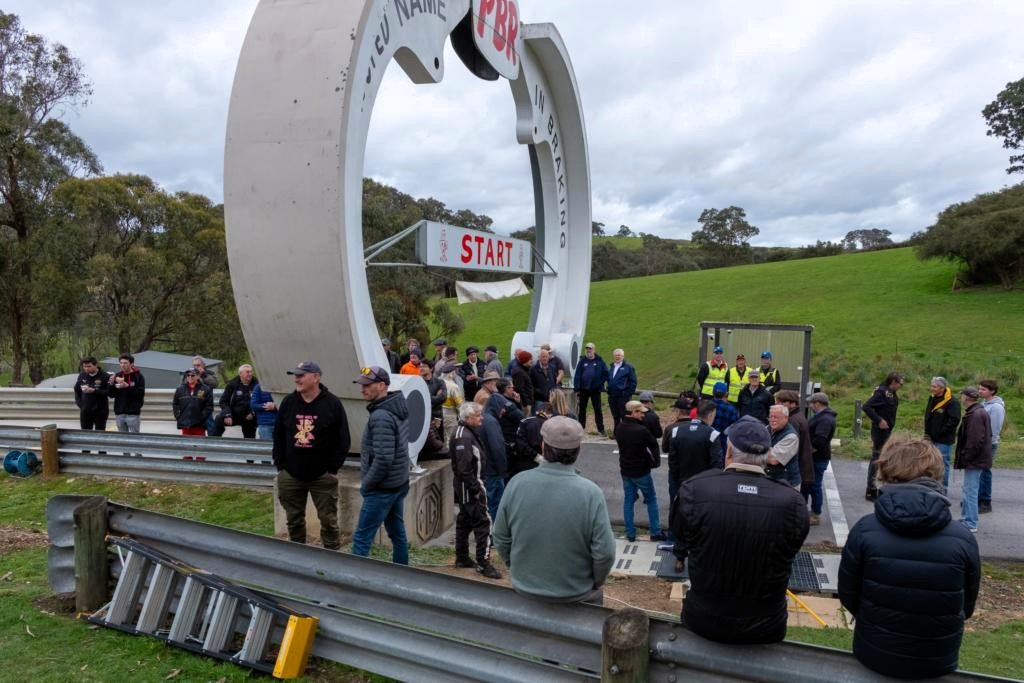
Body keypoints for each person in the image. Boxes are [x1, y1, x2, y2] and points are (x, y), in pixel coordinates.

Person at [838, 436, 980, 679]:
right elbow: (965, 605)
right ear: (935, 473)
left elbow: (848, 594)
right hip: (935, 657)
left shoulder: (864, 530)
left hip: (875, 651)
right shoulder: (962, 538)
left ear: (885, 469)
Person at [671, 415, 809, 644]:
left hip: (704, 618)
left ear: (728, 452)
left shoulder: (694, 489)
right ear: (767, 456)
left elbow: (681, 535)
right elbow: (793, 547)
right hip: (766, 624)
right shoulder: (793, 502)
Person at [493, 416, 616, 603]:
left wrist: (517, 567)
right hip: (576, 593)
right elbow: (605, 552)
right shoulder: (591, 493)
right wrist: (596, 581)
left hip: (525, 589)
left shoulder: (517, 483)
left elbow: (500, 536)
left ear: (543, 447)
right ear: (578, 450)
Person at [272, 361, 350, 550]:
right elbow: (279, 434)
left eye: (301, 375)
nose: (296, 379)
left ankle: (331, 555)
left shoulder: (332, 403)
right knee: (294, 519)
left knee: (328, 520)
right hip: (291, 473)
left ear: (316, 377)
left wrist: (332, 469)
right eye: (295, 375)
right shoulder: (289, 402)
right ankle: (298, 554)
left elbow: (343, 439)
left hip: (322, 475)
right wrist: (280, 465)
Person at [352, 365, 411, 564]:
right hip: (397, 484)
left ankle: (355, 585)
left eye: (368, 385)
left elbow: (384, 458)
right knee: (398, 535)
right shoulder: (395, 406)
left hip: (381, 488)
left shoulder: (381, 416)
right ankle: (402, 577)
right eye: (362, 385)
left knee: (361, 540)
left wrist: (367, 483)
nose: (363, 389)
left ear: (382, 385)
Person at [450, 401, 502, 579]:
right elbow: (464, 468)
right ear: (468, 418)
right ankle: (483, 563)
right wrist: (475, 489)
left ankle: (462, 557)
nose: (481, 418)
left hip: (469, 485)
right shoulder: (463, 437)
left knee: (464, 521)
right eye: (478, 415)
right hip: (470, 486)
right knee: (483, 522)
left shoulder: (467, 432)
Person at [663, 399, 722, 527]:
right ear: (711, 415)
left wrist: (676, 477)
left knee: (676, 509)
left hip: (679, 480)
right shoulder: (712, 434)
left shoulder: (676, 430)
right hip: (702, 484)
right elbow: (716, 465)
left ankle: (673, 538)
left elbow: (672, 459)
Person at [614, 400, 666, 542]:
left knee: (628, 501)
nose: (643, 415)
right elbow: (653, 445)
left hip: (625, 470)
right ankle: (655, 531)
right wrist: (654, 462)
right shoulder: (641, 430)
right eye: (641, 412)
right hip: (641, 471)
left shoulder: (619, 428)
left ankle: (630, 533)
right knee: (651, 499)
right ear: (634, 412)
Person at [954, 387, 992, 533]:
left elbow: (975, 441)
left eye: (962, 395)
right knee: (969, 489)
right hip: (978, 458)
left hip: (975, 460)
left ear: (967, 397)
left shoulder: (975, 414)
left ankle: (971, 522)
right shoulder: (978, 411)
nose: (961, 398)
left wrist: (966, 457)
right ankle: (966, 518)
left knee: (970, 490)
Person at [862, 372, 904, 501]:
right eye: (899, 384)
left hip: (887, 431)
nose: (901, 386)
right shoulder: (881, 392)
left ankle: (878, 486)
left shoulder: (890, 392)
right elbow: (867, 407)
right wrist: (879, 420)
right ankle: (871, 490)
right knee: (877, 460)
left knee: (883, 459)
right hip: (880, 432)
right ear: (893, 382)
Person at [776, 389, 814, 513]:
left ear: (793, 404)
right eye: (778, 401)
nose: (778, 404)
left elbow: (791, 449)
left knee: (795, 505)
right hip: (803, 466)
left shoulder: (793, 421)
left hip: (798, 468)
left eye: (782, 402)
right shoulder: (799, 416)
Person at [924, 376, 961, 488]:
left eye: (934, 387)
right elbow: (928, 416)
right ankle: (931, 486)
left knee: (942, 464)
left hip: (943, 440)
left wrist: (940, 432)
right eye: (932, 386)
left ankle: (942, 489)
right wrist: (927, 434)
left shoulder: (952, 402)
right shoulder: (932, 398)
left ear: (942, 388)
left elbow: (954, 420)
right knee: (930, 463)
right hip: (930, 438)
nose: (932, 388)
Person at [806, 392, 837, 526]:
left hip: (817, 458)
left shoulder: (825, 420)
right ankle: (814, 512)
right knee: (813, 484)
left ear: (817, 403)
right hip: (817, 457)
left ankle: (815, 514)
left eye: (811, 403)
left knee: (815, 485)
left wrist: (807, 453)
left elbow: (819, 441)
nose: (810, 406)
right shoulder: (822, 417)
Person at [977, 379, 1005, 514]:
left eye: (983, 389)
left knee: (985, 471)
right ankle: (977, 498)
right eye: (980, 388)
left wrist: (986, 444)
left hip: (988, 444)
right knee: (978, 471)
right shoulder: (984, 403)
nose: (980, 391)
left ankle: (985, 501)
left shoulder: (996, 407)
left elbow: (994, 428)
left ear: (992, 391)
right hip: (980, 442)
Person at [481, 393, 509, 520]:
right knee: (495, 506)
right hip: (493, 471)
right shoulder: (491, 422)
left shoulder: (483, 418)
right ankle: (496, 535)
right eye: (503, 407)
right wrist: (503, 470)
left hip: (485, 469)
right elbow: (497, 448)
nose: (504, 411)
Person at [212, 364, 259, 438]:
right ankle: (214, 442)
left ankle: (248, 446)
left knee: (249, 436)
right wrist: (227, 414)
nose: (250, 374)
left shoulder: (258, 385)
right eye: (247, 372)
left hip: (250, 416)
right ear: (240, 374)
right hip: (234, 415)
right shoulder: (232, 384)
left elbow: (261, 401)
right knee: (219, 419)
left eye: (251, 372)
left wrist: (253, 413)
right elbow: (223, 401)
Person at [573, 342, 608, 436]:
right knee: (582, 410)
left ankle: (601, 429)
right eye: (587, 349)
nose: (588, 351)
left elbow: (606, 373)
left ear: (594, 350)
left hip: (595, 390)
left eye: (590, 349)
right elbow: (577, 375)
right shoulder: (582, 361)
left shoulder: (600, 361)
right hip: (584, 389)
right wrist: (577, 389)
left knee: (598, 410)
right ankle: (581, 428)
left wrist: (600, 383)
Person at [765, 404, 800, 488]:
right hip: (770, 480)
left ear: (786, 418)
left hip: (787, 484)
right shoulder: (766, 428)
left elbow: (773, 460)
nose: (772, 420)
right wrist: (769, 450)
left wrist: (757, 451)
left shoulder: (791, 436)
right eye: (770, 417)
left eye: (776, 417)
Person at [110, 354, 144, 433]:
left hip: (133, 412)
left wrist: (127, 386)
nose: (122, 365)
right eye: (121, 363)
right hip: (119, 412)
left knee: (134, 437)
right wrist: (111, 384)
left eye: (125, 363)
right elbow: (111, 394)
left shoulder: (138, 376)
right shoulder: (117, 375)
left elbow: (140, 393)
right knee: (122, 437)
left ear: (131, 364)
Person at [74, 356, 111, 431]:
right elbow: (77, 390)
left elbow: (109, 392)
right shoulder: (82, 375)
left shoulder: (105, 376)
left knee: (100, 432)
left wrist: (94, 391)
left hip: (100, 410)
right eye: (84, 366)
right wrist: (80, 404)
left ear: (95, 365)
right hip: (85, 410)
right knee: (85, 432)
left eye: (89, 366)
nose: (86, 368)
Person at [513, 403, 549, 477]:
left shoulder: (525, 421)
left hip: (525, 462)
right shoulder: (550, 424)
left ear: (536, 412)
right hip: (543, 462)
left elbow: (520, 443)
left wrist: (534, 455)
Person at [173, 368, 213, 436]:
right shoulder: (180, 389)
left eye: (192, 375)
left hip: (199, 425)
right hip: (185, 425)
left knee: (199, 445)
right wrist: (179, 417)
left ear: (198, 376)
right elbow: (175, 404)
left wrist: (201, 417)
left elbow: (209, 406)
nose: (190, 377)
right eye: (188, 375)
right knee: (186, 445)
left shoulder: (206, 389)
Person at [607, 348, 638, 430]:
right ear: (613, 356)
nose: (618, 357)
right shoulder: (611, 367)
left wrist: (627, 394)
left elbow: (633, 382)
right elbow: (608, 379)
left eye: (619, 355)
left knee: (624, 416)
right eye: (616, 355)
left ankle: (625, 433)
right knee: (615, 416)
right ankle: (616, 432)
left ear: (623, 356)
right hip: (612, 396)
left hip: (623, 397)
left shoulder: (628, 367)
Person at [439, 362, 464, 441]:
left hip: (439, 415)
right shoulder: (453, 386)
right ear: (452, 373)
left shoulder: (438, 383)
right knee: (451, 438)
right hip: (450, 415)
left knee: (443, 437)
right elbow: (459, 404)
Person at [510, 350, 534, 416]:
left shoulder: (525, 369)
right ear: (525, 360)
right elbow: (519, 389)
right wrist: (525, 404)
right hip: (524, 404)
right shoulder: (519, 372)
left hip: (527, 402)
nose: (532, 361)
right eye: (530, 359)